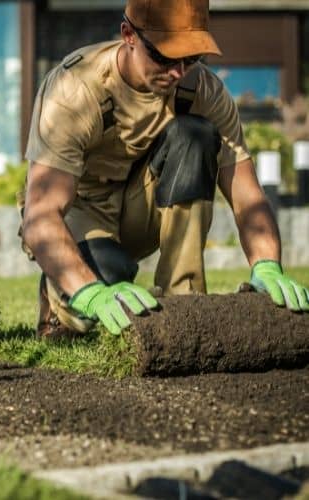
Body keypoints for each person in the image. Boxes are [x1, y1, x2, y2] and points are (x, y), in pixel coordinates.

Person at [20, 0, 309, 338]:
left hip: (137, 210)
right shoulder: (75, 88)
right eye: (165, 56)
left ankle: (184, 304)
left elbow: (247, 195)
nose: (178, 71)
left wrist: (267, 265)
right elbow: (41, 215)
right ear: (128, 34)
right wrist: (89, 291)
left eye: (192, 58)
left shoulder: (202, 90)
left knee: (194, 135)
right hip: (81, 213)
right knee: (108, 273)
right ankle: (58, 303)